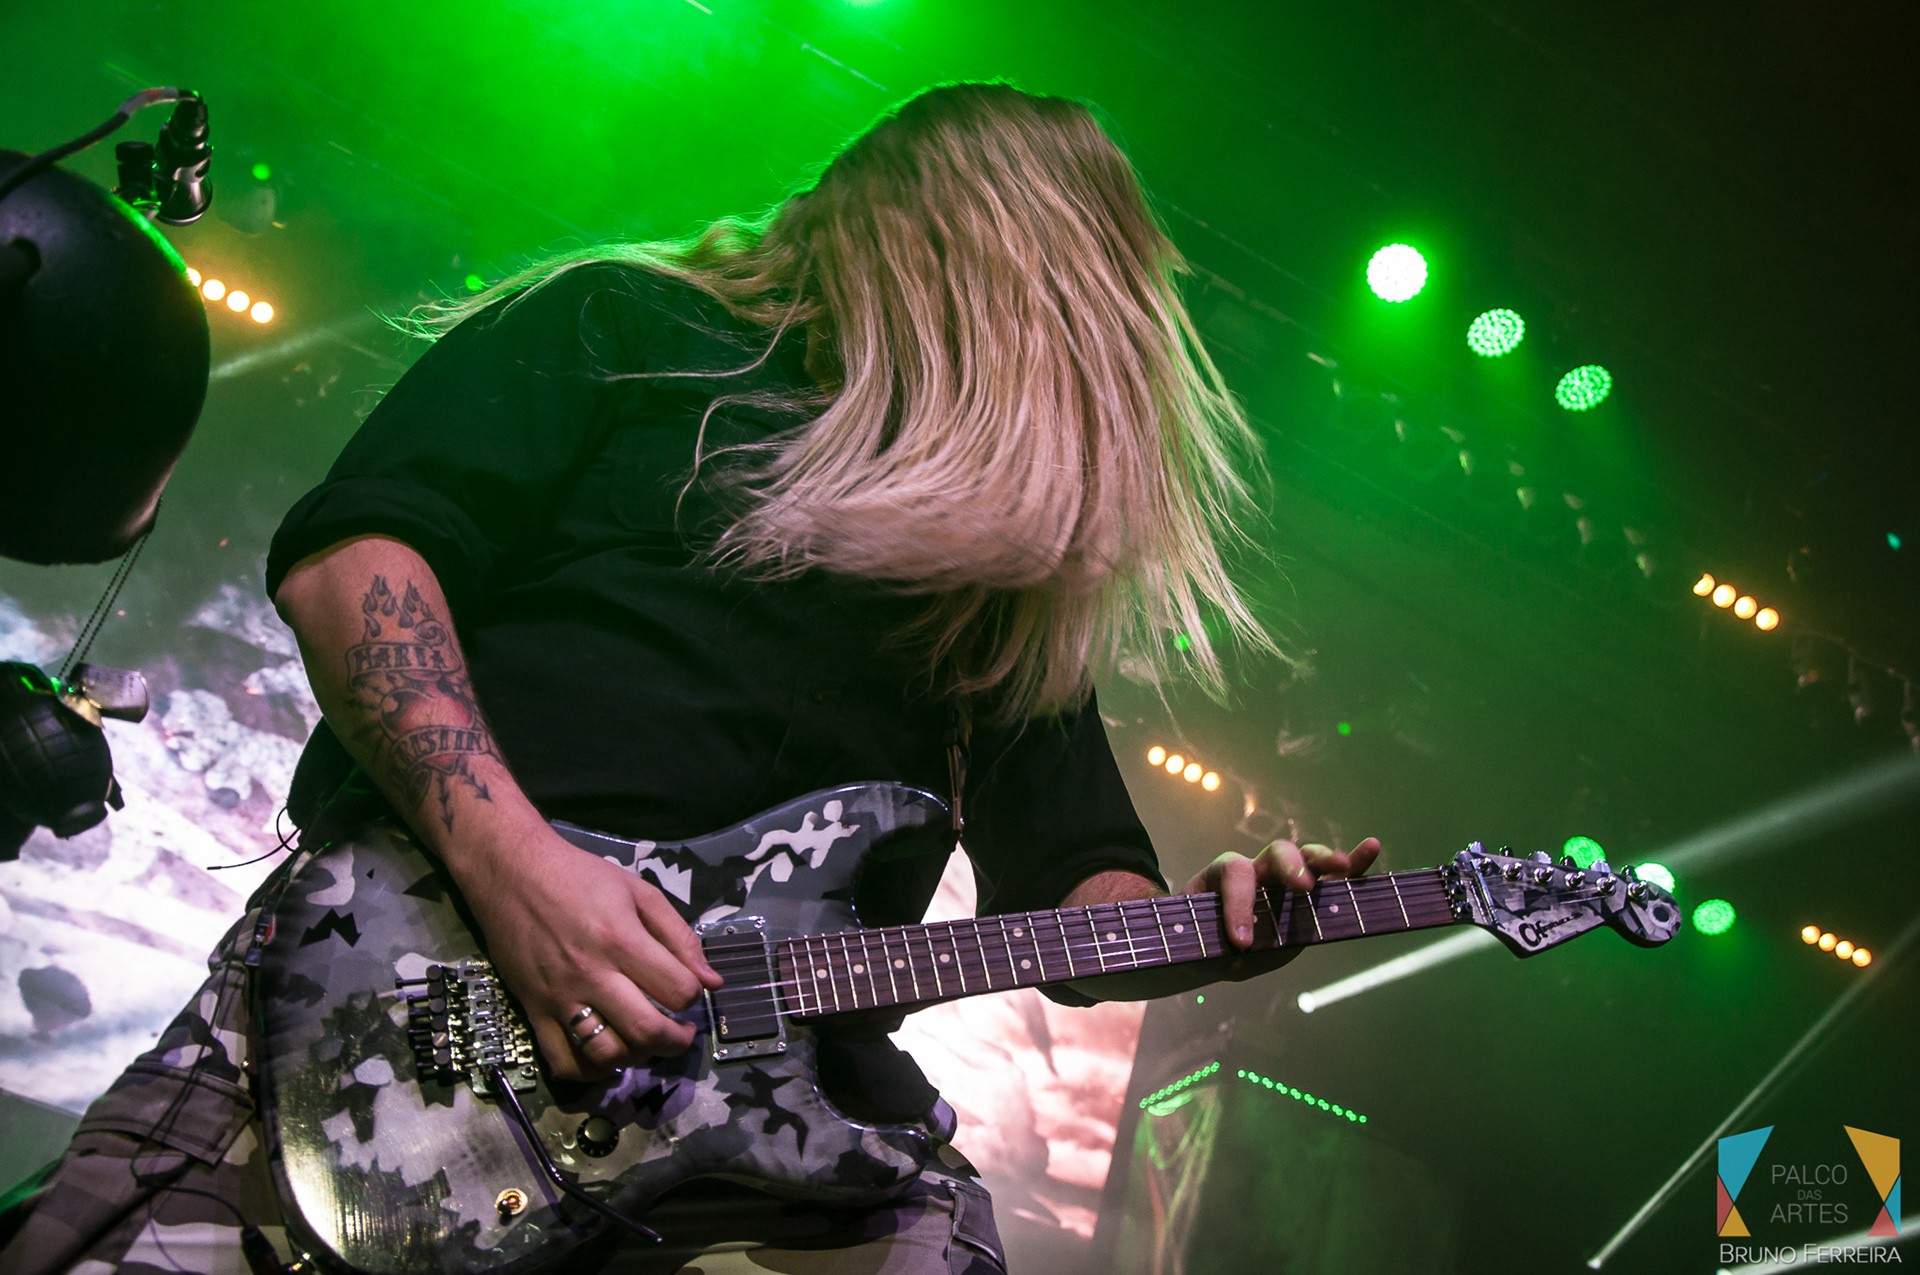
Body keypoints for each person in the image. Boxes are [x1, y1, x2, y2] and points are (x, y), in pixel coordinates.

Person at [0, 82, 1377, 1275]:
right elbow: (353, 566)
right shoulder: (625, 324)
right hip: (394, 993)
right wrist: (520, 873)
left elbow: (1077, 885)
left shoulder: (1007, 579)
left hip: (768, 1138)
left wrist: (1217, 921)